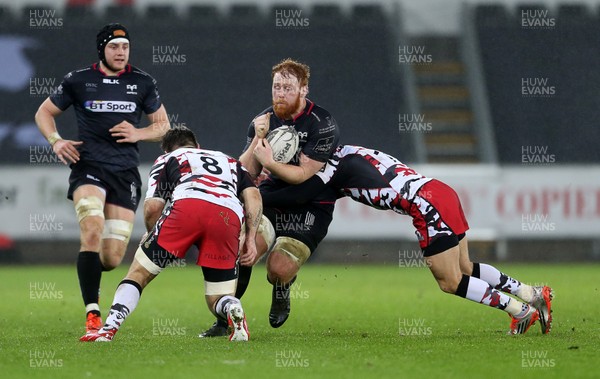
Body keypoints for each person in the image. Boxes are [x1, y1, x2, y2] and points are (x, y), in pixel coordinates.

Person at [261, 145, 553, 335]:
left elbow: (299, 193)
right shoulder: (346, 152)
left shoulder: (325, 171)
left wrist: (254, 192)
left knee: (449, 282)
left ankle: (519, 311)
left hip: (425, 206)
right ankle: (532, 293)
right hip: (440, 191)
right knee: (464, 267)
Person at [34, 23, 170, 335]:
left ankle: (94, 278)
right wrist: (56, 141)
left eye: (125, 47)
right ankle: (93, 314)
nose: (121, 52)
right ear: (102, 50)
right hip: (88, 167)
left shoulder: (143, 82)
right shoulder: (79, 80)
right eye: (114, 47)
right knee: (92, 230)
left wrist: (138, 132)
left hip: (124, 173)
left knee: (110, 258)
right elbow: (44, 113)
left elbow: (163, 126)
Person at [80, 127, 262, 342]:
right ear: (198, 146)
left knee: (138, 274)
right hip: (227, 216)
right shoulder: (230, 161)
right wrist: (250, 238)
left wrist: (152, 234)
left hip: (188, 208)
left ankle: (108, 329)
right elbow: (254, 197)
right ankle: (232, 306)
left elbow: (152, 207)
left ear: (167, 150)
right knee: (218, 298)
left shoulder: (168, 159)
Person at [200, 58, 341, 337]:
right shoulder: (263, 120)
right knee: (242, 249)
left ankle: (281, 287)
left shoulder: (322, 124)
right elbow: (245, 171)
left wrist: (271, 163)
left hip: (311, 206)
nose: (280, 93)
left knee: (278, 268)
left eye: (288, 87)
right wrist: (257, 139)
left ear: (304, 90)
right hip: (271, 200)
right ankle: (225, 319)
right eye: (276, 86)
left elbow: (302, 175)